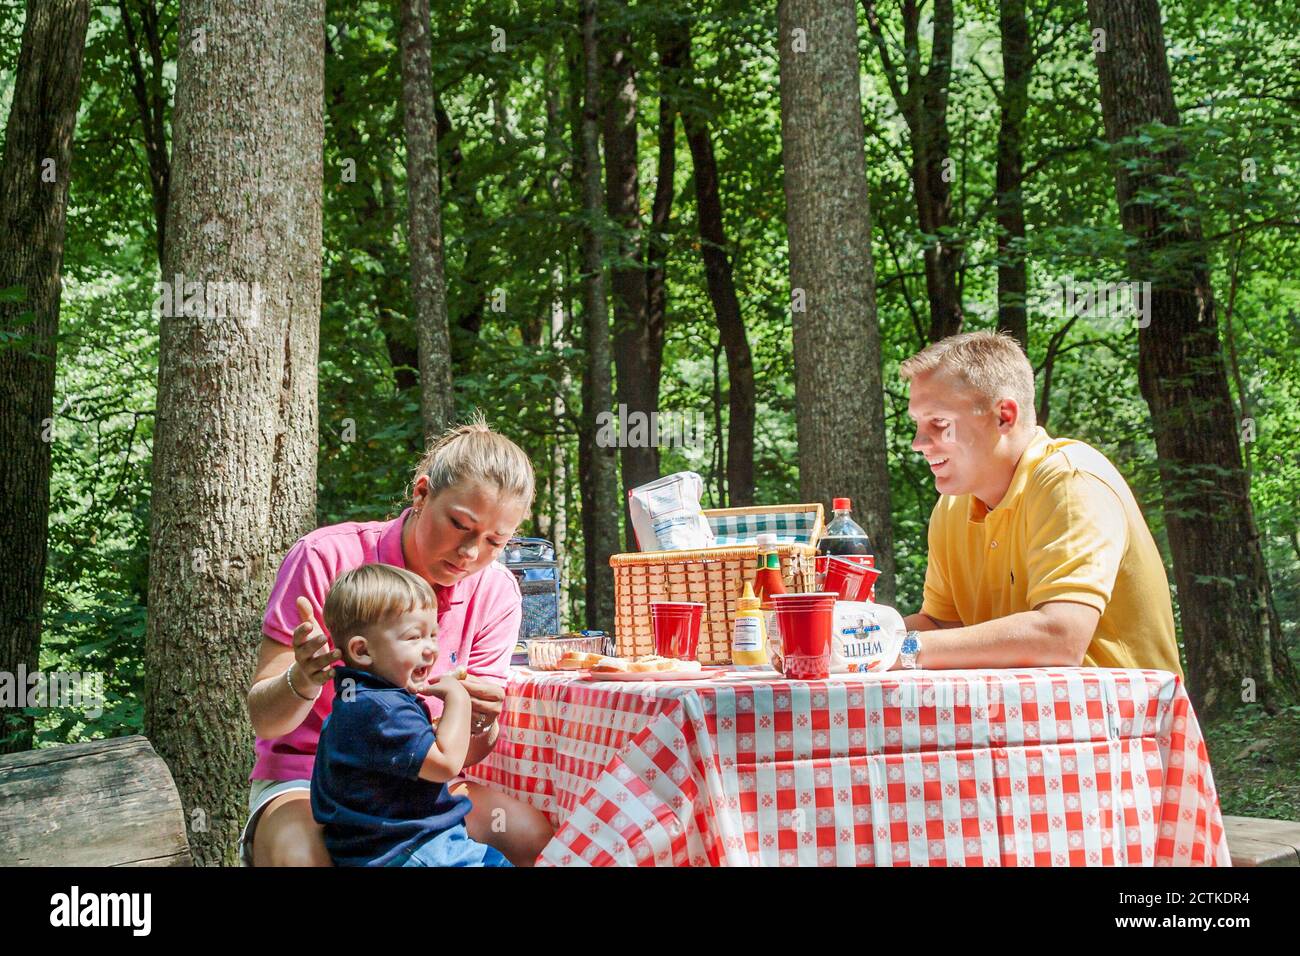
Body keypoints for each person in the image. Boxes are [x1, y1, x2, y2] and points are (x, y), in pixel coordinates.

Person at [241, 417, 554, 866]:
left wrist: (481, 721)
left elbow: (463, 754)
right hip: (310, 779)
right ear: (422, 493)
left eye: (494, 541)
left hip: (424, 788)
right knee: (302, 858)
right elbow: (265, 721)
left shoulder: (495, 591)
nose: (471, 553)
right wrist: (302, 679)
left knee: (538, 842)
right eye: (460, 524)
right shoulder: (326, 557)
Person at [894, 330, 1183, 676]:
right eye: (917, 424)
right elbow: (942, 627)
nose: (918, 442)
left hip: (1121, 724)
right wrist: (852, 639)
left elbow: (1060, 638)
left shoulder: (1070, 481)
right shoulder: (952, 507)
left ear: (1004, 416)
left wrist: (903, 647)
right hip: (1022, 722)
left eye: (939, 424)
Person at [310, 563, 511, 867]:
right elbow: (444, 764)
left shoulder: (361, 701)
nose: (431, 649)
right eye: (414, 637)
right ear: (362, 651)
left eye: (433, 635)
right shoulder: (382, 709)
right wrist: (458, 698)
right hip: (408, 848)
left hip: (387, 847)